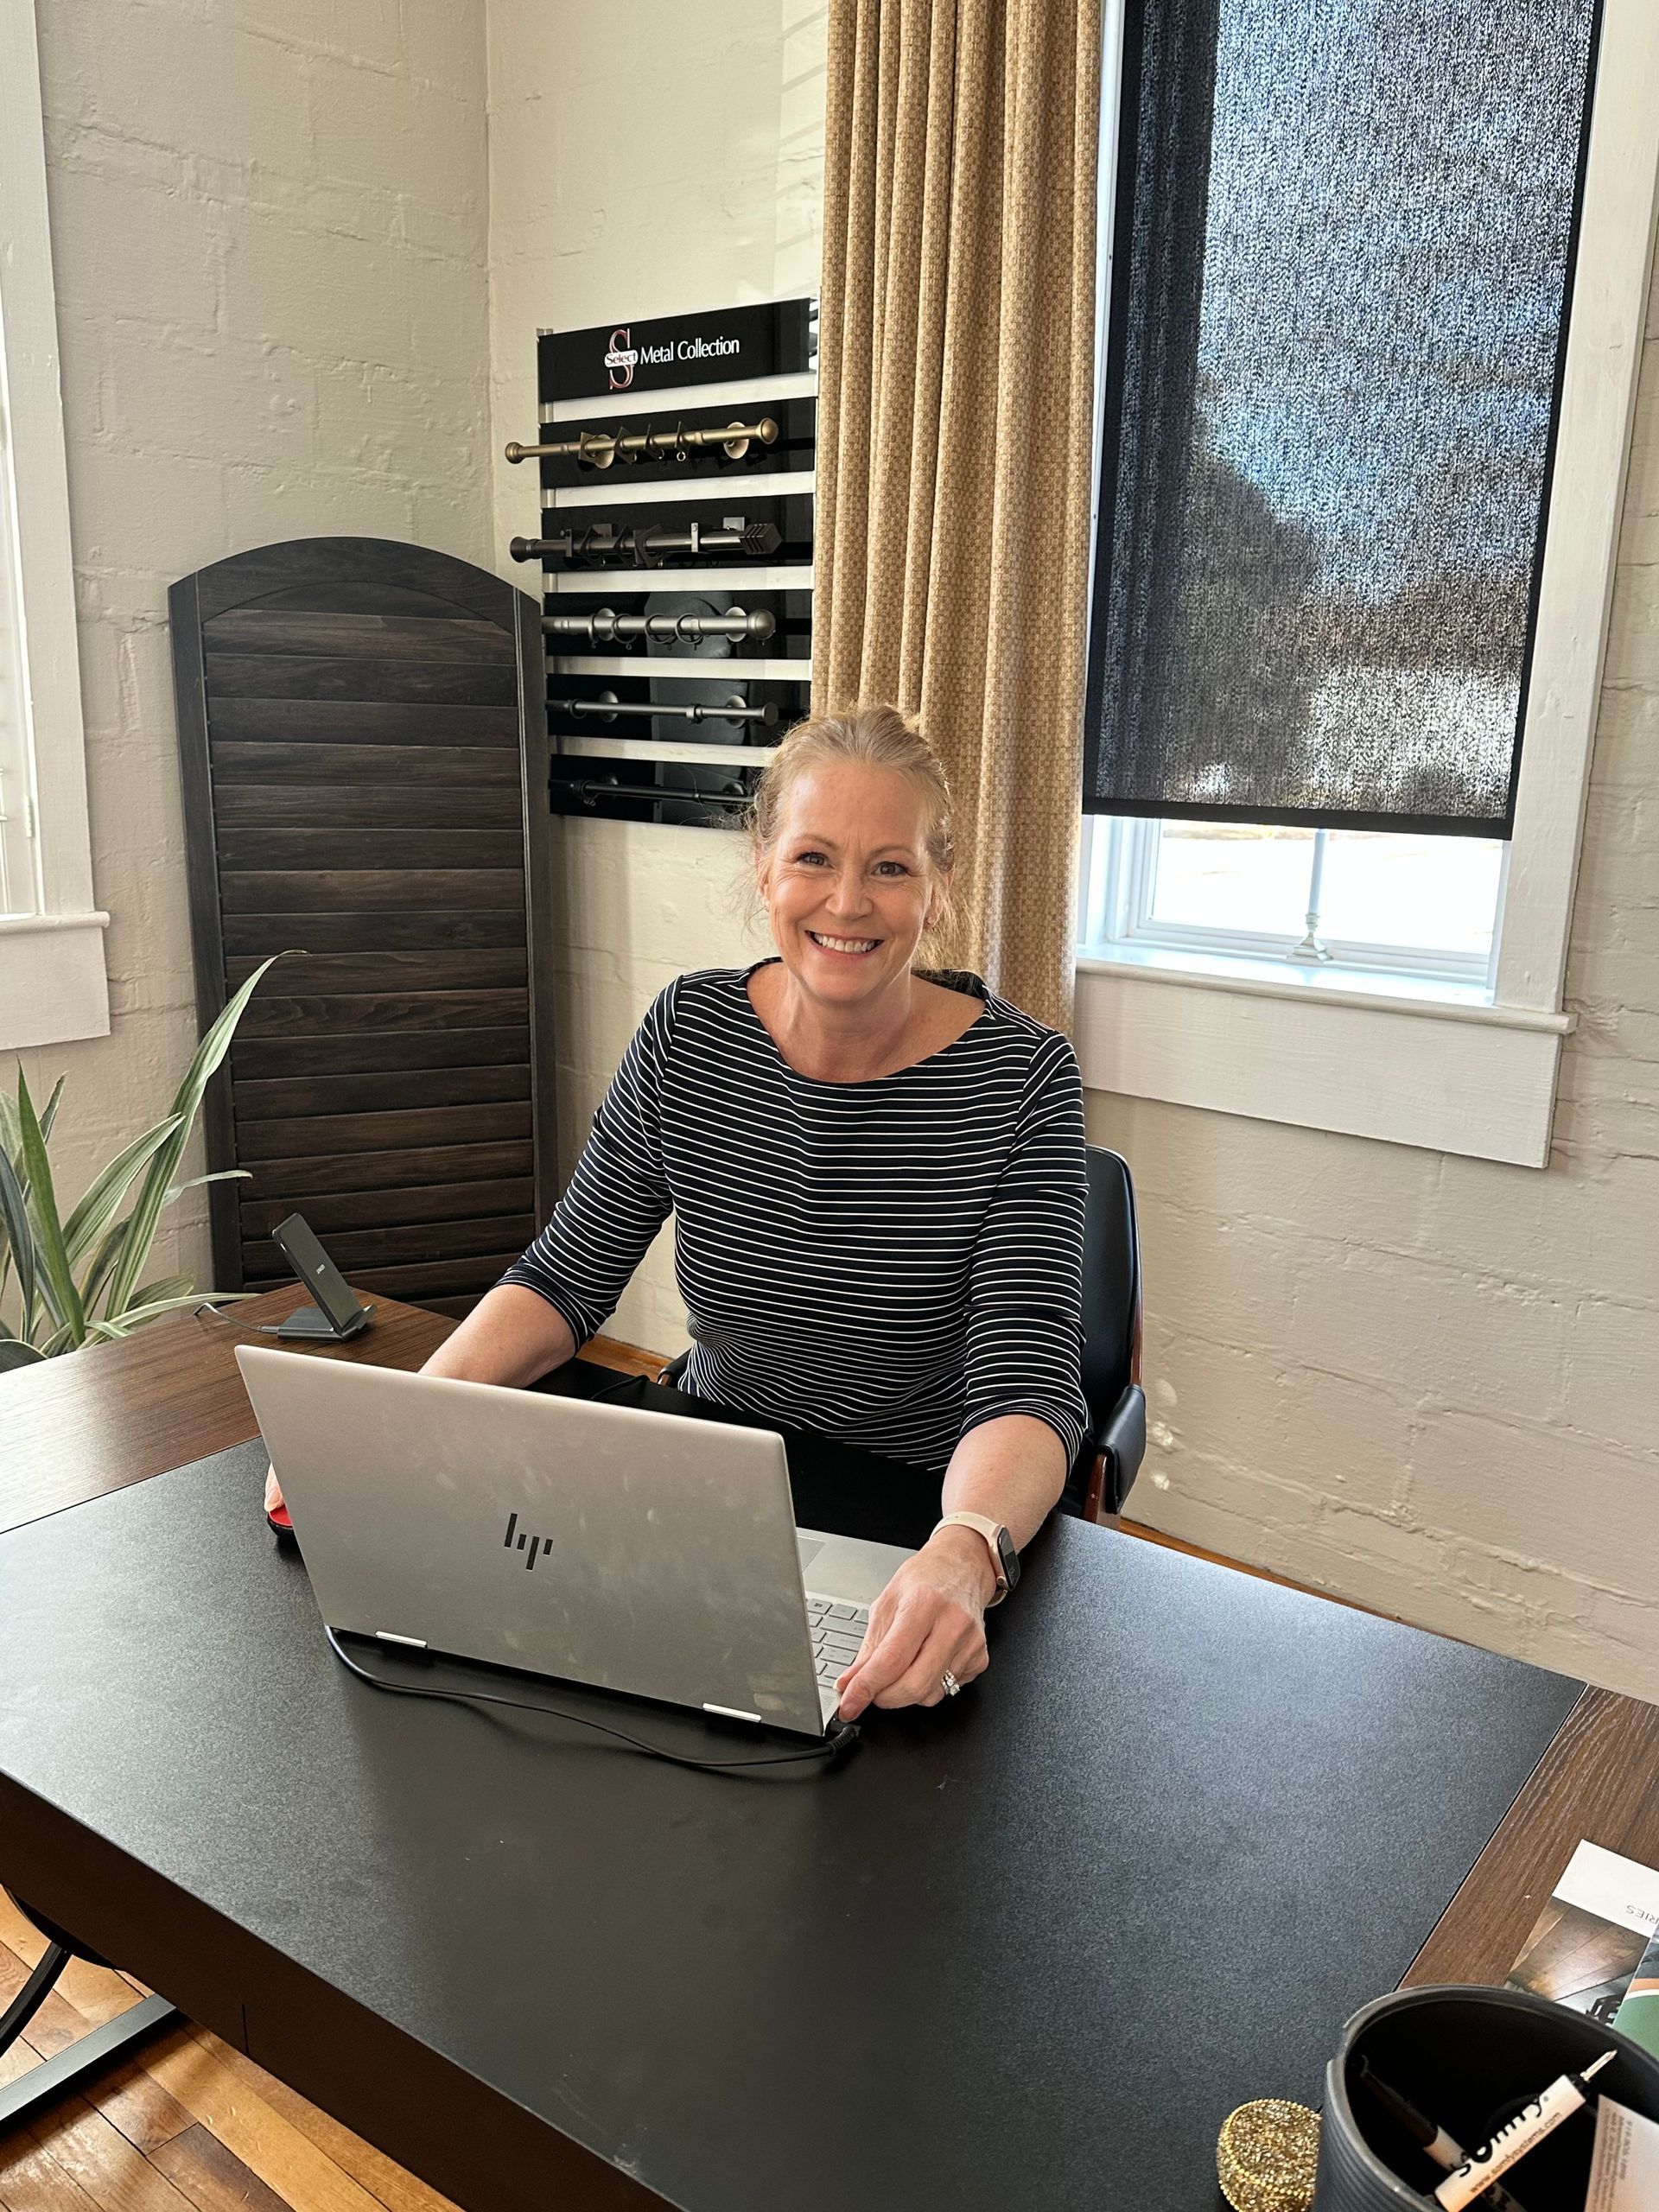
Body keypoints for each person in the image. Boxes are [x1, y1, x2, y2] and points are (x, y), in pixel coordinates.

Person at [268, 703, 1088, 1718]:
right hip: (702, 1476)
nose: (848, 901)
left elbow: (1029, 1385)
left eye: (891, 867)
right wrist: (403, 1424)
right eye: (814, 857)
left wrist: (967, 1549)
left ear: (939, 889)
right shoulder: (691, 1033)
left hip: (908, 1507)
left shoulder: (1024, 1081)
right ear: (764, 868)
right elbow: (564, 1277)